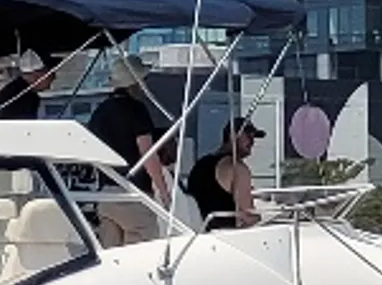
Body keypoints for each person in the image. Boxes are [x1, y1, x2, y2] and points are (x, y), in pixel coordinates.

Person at [86, 59, 173, 244]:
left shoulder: (99, 112)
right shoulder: (136, 109)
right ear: (135, 83)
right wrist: (164, 193)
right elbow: (148, 154)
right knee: (140, 254)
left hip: (106, 195)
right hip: (134, 195)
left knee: (112, 255)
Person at [186, 118, 264, 230]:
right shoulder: (237, 168)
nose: (252, 142)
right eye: (248, 136)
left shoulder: (200, 165)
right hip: (225, 235)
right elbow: (248, 217)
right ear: (232, 136)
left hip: (196, 231)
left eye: (254, 137)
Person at [0, 50, 53, 120]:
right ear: (38, 75)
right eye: (51, 73)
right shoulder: (24, 98)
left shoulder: (15, 91)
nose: (54, 77)